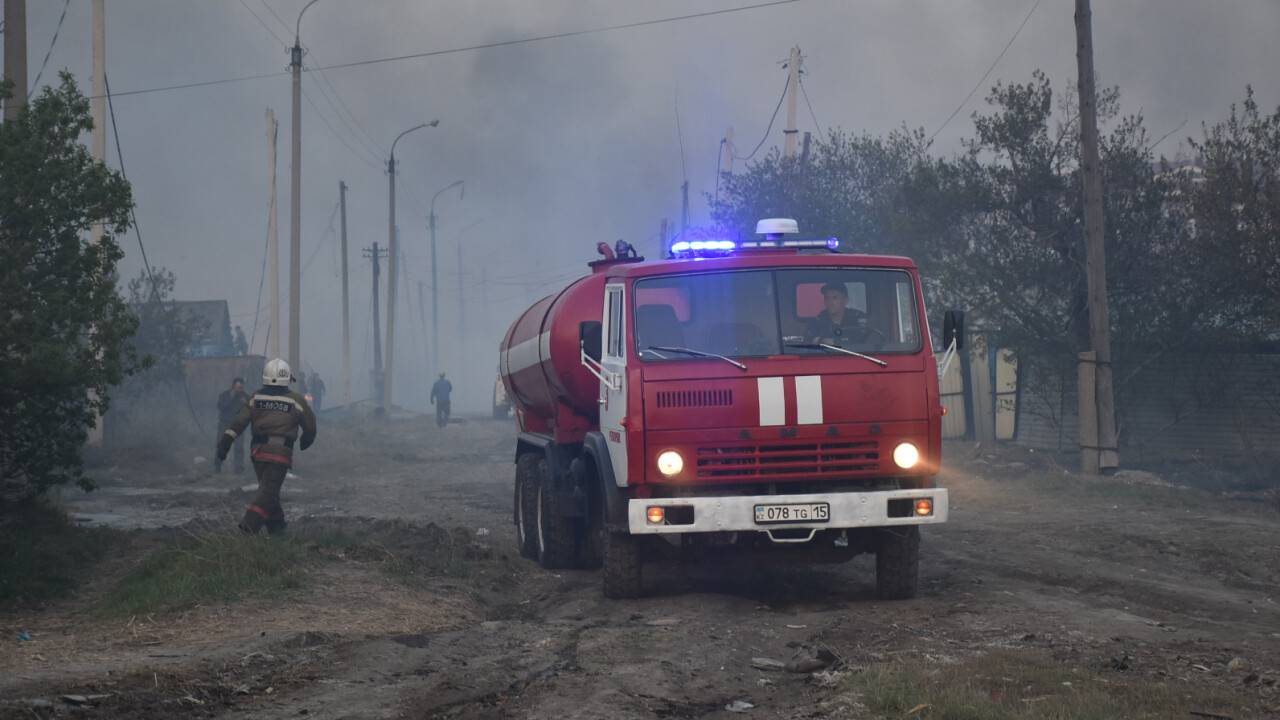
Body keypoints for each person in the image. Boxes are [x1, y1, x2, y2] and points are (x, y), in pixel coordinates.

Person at [217, 358, 317, 535]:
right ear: (287, 378)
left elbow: (238, 422)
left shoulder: (256, 397)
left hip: (258, 453)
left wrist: (225, 443)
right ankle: (248, 527)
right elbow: (310, 426)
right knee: (268, 493)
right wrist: (306, 440)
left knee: (269, 490)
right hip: (280, 454)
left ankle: (277, 530)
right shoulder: (296, 400)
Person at [805, 282, 874, 347]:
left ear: (845, 300)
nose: (830, 302)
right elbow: (808, 341)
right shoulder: (818, 320)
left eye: (835, 298)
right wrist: (821, 341)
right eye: (827, 298)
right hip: (827, 357)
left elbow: (869, 341)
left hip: (855, 357)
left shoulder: (857, 317)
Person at [214, 377, 249, 474]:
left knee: (239, 447)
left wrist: (246, 404)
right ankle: (217, 467)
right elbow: (221, 407)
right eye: (238, 388)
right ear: (233, 387)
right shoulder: (224, 395)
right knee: (221, 445)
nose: (240, 390)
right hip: (224, 424)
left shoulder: (245, 396)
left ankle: (238, 469)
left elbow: (250, 410)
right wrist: (232, 397)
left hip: (238, 425)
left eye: (241, 388)